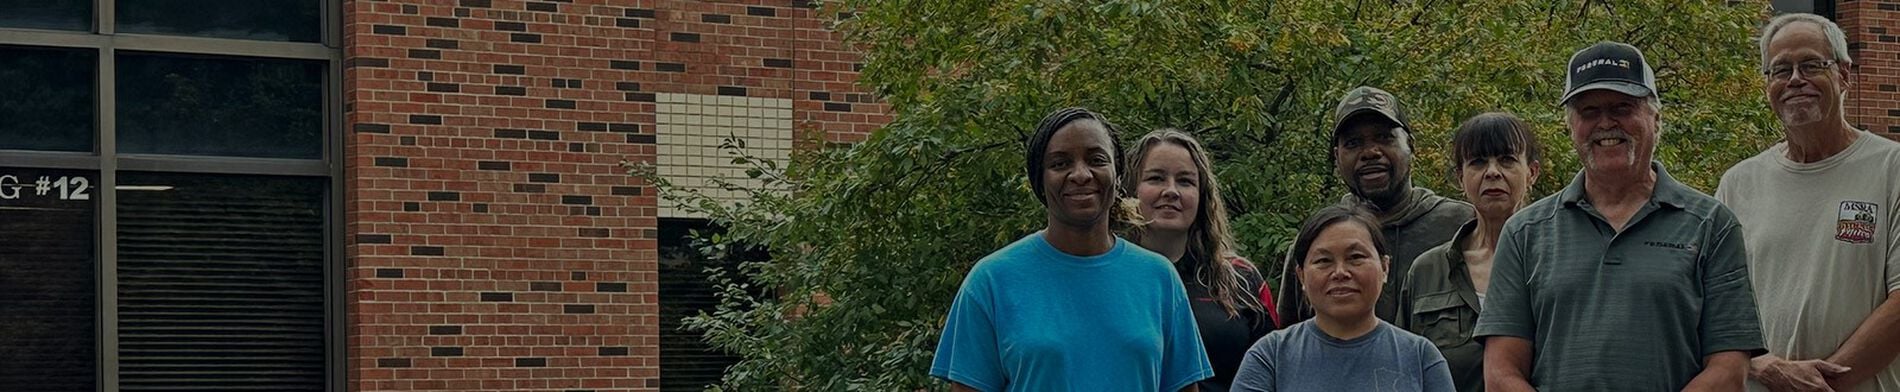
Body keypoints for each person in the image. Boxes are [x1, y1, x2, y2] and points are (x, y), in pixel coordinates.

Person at [1473, 41, 1766, 391]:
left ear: (1656, 119)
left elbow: (1729, 369)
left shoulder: (1712, 225)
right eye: (1589, 111)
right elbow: (1501, 374)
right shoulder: (1525, 232)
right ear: (1571, 127)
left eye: (1623, 107)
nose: (1606, 123)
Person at [929, 108, 1213, 392]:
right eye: (1060, 163)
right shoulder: (992, 281)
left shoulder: (1159, 278)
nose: (1080, 174)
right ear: (1039, 180)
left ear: (1118, 175)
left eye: (1096, 159)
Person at [1717, 13, 1900, 392]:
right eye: (1780, 69)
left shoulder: (1891, 169)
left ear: (1845, 74)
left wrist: (1816, 384)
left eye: (1812, 64)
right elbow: (1716, 307)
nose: (1795, 79)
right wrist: (1767, 366)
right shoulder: (1739, 184)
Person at [1277, 86, 1474, 326]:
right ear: (1337, 156)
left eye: (1384, 137)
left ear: (1411, 145)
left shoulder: (1462, 226)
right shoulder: (1317, 241)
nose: (1370, 152)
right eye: (1353, 143)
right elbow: (1288, 339)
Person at [1232, 205, 1455, 392]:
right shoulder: (1271, 355)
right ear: (1301, 275)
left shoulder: (1420, 356)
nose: (1340, 272)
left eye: (1355, 257)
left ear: (1385, 267)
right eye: (1323, 261)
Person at [1396, 112, 1543, 392]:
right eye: (1478, 162)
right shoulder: (1428, 271)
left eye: (1507, 160)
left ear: (1531, 172)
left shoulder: (1558, 262)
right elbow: (1404, 370)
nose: (1492, 172)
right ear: (1461, 178)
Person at [1126, 129, 1281, 392]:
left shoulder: (1242, 279)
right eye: (1156, 178)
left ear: (1202, 195)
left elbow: (1279, 369)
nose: (1171, 191)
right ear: (1130, 189)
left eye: (1185, 181)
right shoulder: (1106, 278)